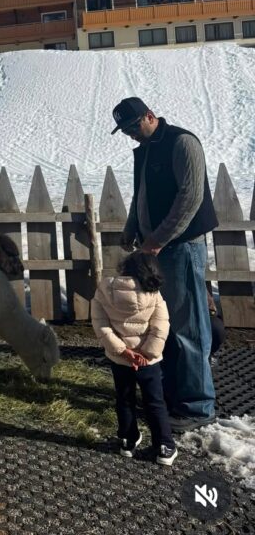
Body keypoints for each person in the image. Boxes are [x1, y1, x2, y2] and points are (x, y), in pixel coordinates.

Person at [111, 97, 218, 433]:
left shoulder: (182, 142)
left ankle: (197, 407)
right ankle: (174, 397)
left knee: (189, 329)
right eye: (124, 130)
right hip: (157, 250)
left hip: (182, 249)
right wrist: (132, 228)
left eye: (132, 126)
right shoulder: (146, 148)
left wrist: (155, 240)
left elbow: (190, 199)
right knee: (165, 326)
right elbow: (140, 194)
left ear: (150, 115)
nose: (129, 134)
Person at [91, 251, 177, 465]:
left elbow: (100, 324)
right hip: (148, 361)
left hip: (121, 360)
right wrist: (147, 353)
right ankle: (164, 446)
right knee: (154, 401)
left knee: (124, 398)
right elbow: (161, 326)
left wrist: (122, 351)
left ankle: (128, 440)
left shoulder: (104, 289)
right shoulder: (153, 293)